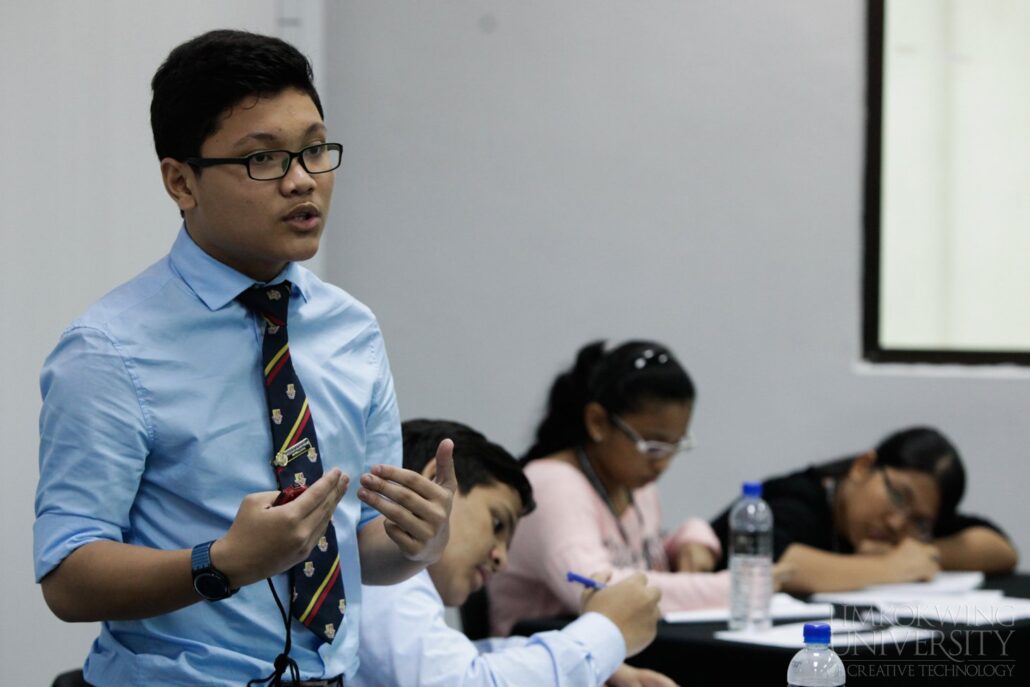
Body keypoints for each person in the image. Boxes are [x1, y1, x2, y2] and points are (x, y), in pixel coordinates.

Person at [33, 30, 456, 686]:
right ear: (182, 181)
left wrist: (417, 541)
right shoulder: (109, 348)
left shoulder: (352, 329)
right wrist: (222, 561)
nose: (302, 181)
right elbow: (67, 575)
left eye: (315, 150)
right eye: (264, 159)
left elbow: (359, 544)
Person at [354, 419, 677, 687]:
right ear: (436, 483)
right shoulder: (383, 578)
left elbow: (465, 661)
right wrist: (604, 633)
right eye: (497, 523)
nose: (502, 559)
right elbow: (466, 682)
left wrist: (598, 668)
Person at [489, 340, 729, 637]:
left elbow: (639, 558)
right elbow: (600, 590)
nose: (663, 463)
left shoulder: (635, 485)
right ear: (598, 422)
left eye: (675, 445)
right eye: (653, 446)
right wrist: (735, 589)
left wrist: (690, 537)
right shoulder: (552, 485)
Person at [710, 426, 1019, 594]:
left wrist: (925, 552)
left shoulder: (908, 530)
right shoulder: (797, 498)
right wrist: (892, 567)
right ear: (863, 466)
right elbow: (770, 564)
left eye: (920, 520)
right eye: (898, 497)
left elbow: (999, 548)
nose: (898, 522)